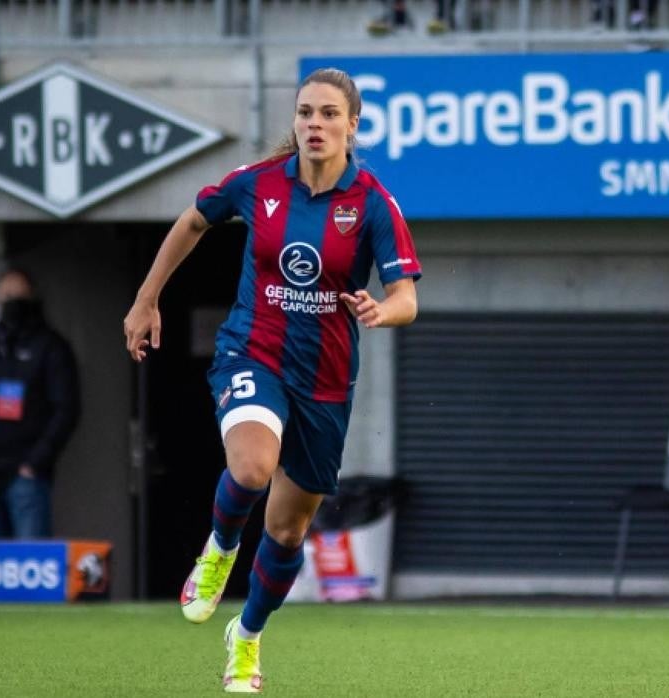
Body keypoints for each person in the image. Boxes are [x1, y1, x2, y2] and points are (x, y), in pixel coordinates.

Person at [122, 67, 421, 693]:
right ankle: (219, 548)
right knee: (253, 469)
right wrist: (148, 299)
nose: (315, 124)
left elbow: (405, 298)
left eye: (329, 115)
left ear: (352, 125)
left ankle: (248, 637)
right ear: (295, 120)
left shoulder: (371, 203)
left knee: (287, 531)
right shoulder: (256, 185)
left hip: (326, 382)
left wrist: (378, 310)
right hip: (252, 353)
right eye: (306, 112)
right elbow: (192, 223)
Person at [0, 267, 80, 539]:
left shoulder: (50, 347)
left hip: (25, 476)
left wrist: (35, 462)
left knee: (30, 562)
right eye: (6, 295)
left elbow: (66, 409)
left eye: (18, 295)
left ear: (32, 297)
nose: (12, 302)